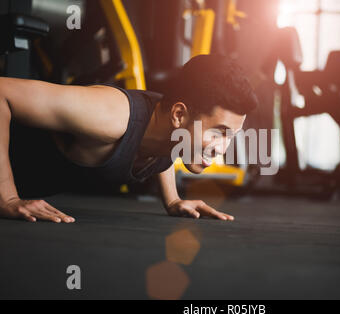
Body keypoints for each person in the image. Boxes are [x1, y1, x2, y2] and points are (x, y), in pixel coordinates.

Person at [0, 54, 258, 223]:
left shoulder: (169, 128)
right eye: (218, 132)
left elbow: (161, 149)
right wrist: (7, 198)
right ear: (179, 114)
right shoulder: (108, 115)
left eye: (230, 137)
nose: (221, 149)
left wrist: (173, 200)